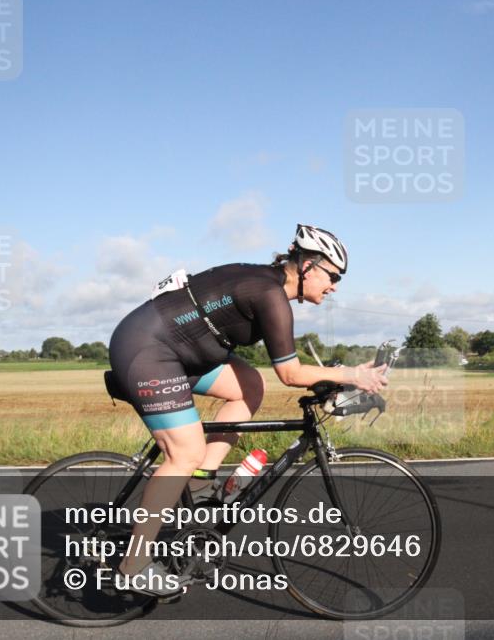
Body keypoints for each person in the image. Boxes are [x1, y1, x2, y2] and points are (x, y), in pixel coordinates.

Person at [107, 224, 388, 596]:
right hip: (148, 351)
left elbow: (289, 368)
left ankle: (201, 480)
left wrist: (340, 379)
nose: (335, 285)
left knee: (250, 385)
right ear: (307, 266)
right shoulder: (268, 293)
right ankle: (134, 565)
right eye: (333, 276)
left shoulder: (269, 287)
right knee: (184, 451)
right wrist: (349, 374)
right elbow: (290, 374)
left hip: (180, 352)